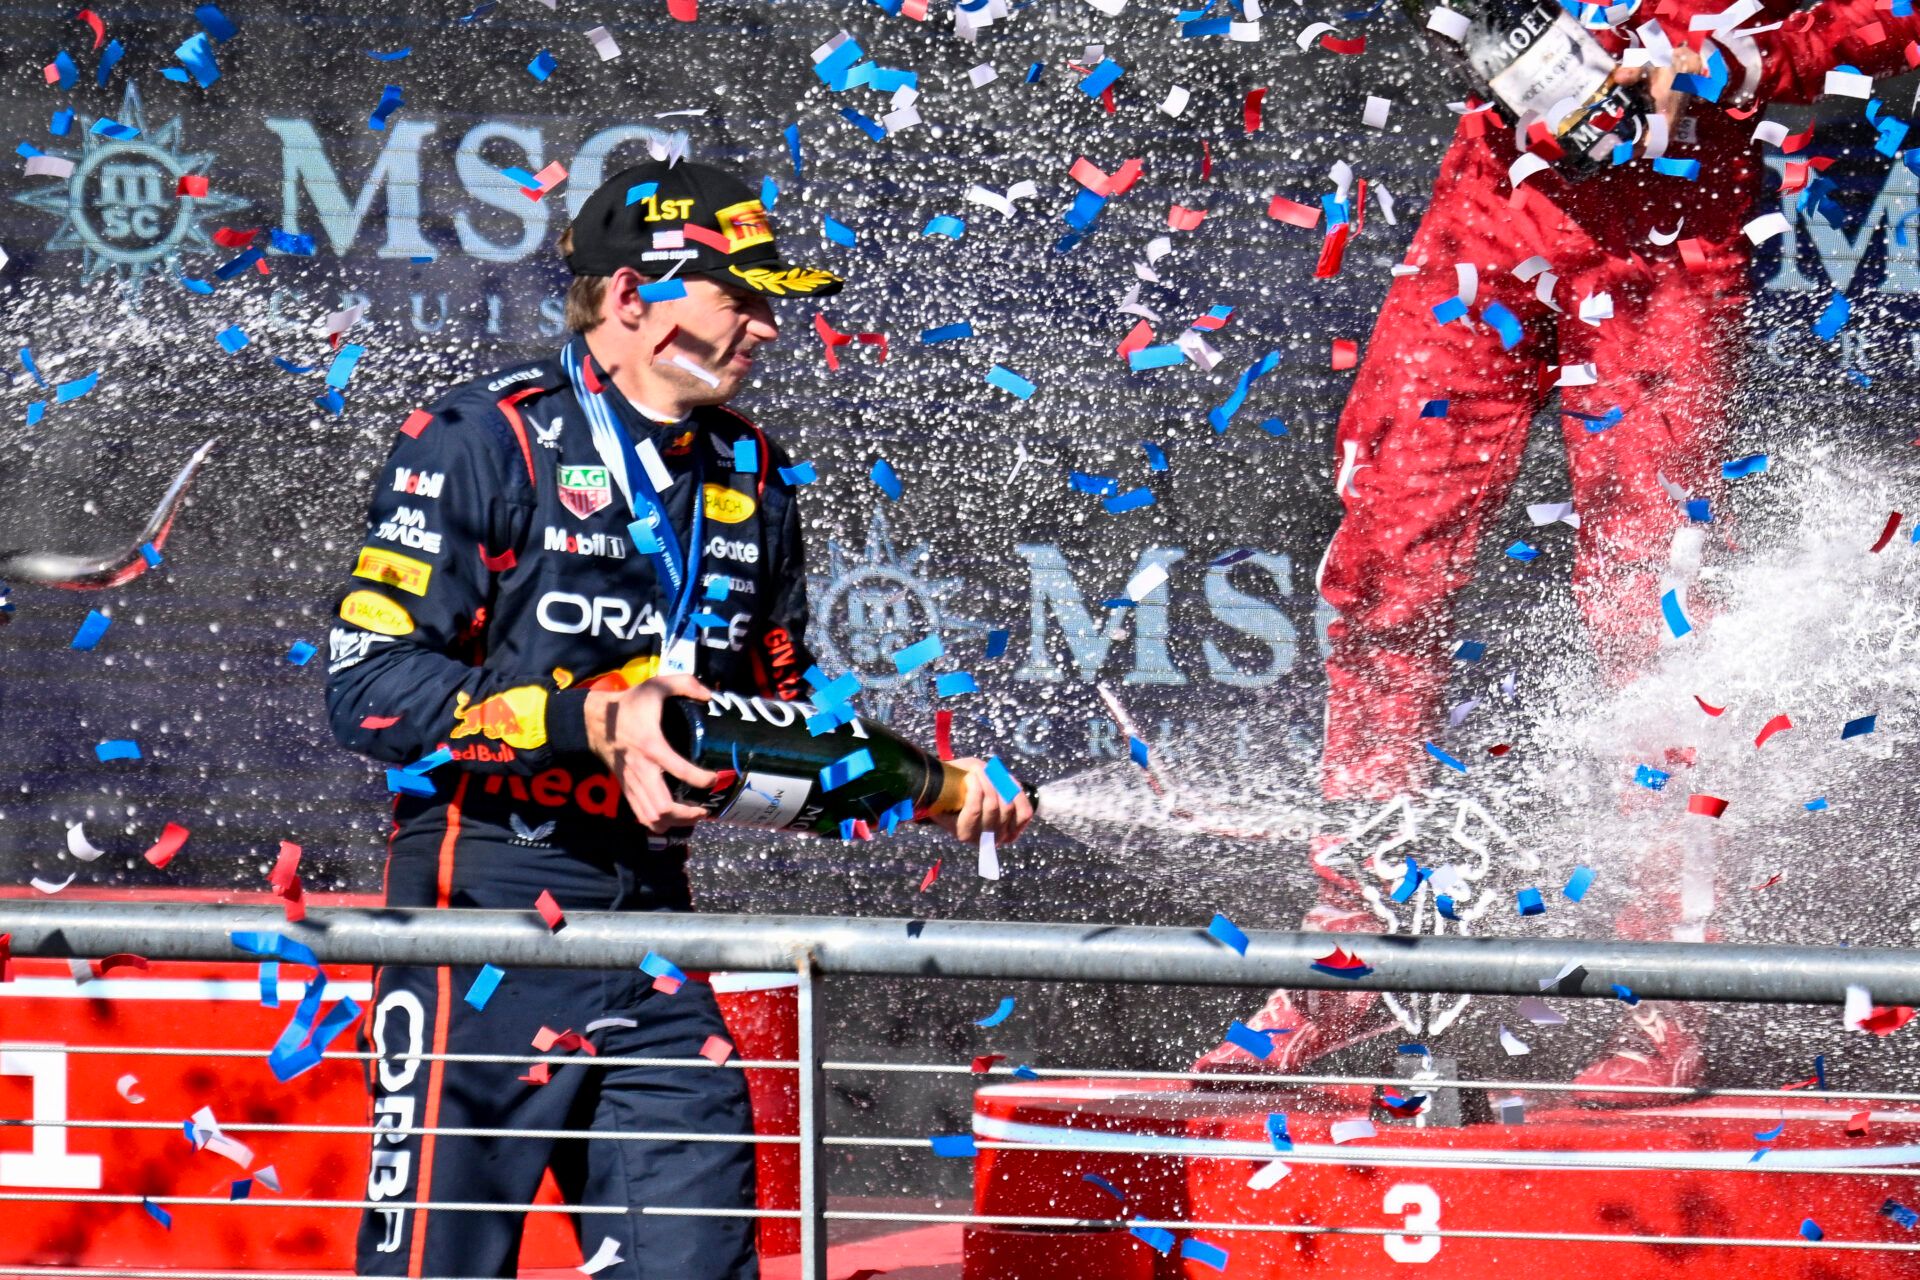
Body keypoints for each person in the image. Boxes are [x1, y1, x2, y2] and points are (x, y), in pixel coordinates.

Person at [325, 158, 1033, 1279]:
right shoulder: (481, 437)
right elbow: (368, 690)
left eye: (772, 301)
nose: (766, 325)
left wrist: (936, 789)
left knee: (697, 1261)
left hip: (654, 919)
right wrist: (596, 719)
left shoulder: (752, 470)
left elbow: (775, 721)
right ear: (629, 299)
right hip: (484, 910)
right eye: (740, 296)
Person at [1201, 3, 1920, 1092]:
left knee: (1656, 611)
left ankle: (1666, 985)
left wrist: (1744, 59)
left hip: (1676, 245)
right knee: (1382, 569)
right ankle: (1345, 951)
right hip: (1492, 209)